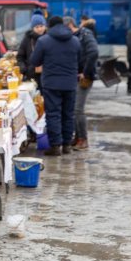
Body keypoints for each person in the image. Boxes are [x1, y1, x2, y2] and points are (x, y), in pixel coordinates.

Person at [30, 16, 81, 156]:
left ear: (49, 26)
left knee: (53, 114)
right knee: (68, 115)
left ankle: (55, 146)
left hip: (51, 84)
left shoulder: (43, 41)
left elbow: (34, 61)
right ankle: (66, 145)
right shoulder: (75, 41)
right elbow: (81, 61)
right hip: (70, 84)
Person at [64, 17, 98, 151]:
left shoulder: (85, 34)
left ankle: (83, 139)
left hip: (85, 78)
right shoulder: (77, 36)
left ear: (70, 25)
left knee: (78, 109)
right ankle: (77, 138)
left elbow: (93, 52)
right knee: (74, 109)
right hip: (76, 76)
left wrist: (86, 72)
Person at [17, 13, 47, 89]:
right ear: (33, 28)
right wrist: (24, 70)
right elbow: (20, 57)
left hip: (47, 76)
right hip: (32, 77)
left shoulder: (49, 38)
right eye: (37, 27)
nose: (40, 29)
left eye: (41, 26)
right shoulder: (27, 39)